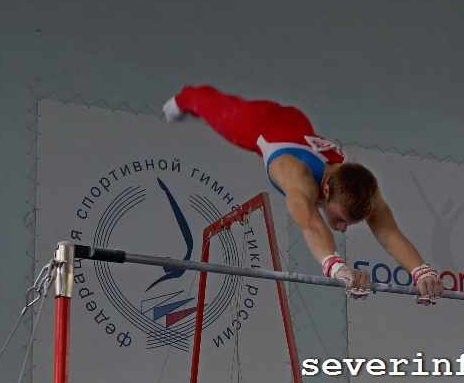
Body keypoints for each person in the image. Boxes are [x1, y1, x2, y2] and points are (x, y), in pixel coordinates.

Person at [163, 85, 444, 304]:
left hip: (297, 123)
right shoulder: (299, 179)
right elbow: (311, 225)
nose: (341, 228)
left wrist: (422, 272)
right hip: (257, 124)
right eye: (339, 218)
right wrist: (338, 269)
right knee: (206, 103)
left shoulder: (362, 187)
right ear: (325, 190)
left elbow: (389, 233)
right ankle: (185, 97)